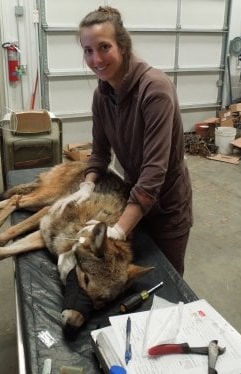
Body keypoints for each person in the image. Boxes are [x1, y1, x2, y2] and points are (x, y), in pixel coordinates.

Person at [52, 6, 192, 276]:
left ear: (123, 46)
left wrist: (119, 229)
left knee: (166, 281)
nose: (96, 59)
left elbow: (154, 172)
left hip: (167, 208)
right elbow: (100, 152)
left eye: (104, 47)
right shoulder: (102, 95)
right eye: (88, 51)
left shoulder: (155, 90)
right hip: (132, 200)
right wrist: (87, 185)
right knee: (128, 277)